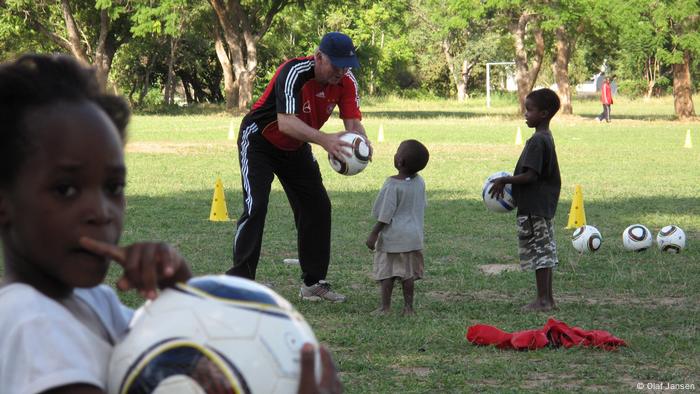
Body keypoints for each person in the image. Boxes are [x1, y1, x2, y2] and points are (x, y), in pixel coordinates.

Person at [0, 54, 340, 394]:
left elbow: (170, 358)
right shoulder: (29, 323)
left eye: (113, 187)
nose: (100, 211)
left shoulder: (94, 303)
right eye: (66, 189)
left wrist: (180, 299)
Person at [228, 32, 371, 303]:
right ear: (318, 57)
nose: (341, 71)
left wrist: (360, 144)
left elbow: (352, 123)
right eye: (336, 64)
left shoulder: (346, 80)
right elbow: (286, 123)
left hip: (296, 147)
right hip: (260, 140)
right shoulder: (293, 71)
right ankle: (240, 284)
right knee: (255, 206)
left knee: (317, 206)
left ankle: (313, 283)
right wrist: (326, 140)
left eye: (347, 65)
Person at [490, 88, 561, 312]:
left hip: (533, 207)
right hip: (542, 205)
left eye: (529, 110)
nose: (525, 114)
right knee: (545, 252)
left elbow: (531, 175)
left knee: (540, 253)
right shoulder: (546, 137)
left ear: (544, 113)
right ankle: (548, 299)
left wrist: (505, 180)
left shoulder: (537, 142)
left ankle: (542, 300)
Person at [366, 140, 429, 316]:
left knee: (387, 273)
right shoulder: (419, 182)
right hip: (413, 237)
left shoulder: (392, 184)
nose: (395, 154)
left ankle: (385, 308)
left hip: (393, 238)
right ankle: (408, 308)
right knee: (407, 275)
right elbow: (422, 205)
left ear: (399, 161)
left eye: (397, 152)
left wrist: (373, 234)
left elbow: (385, 214)